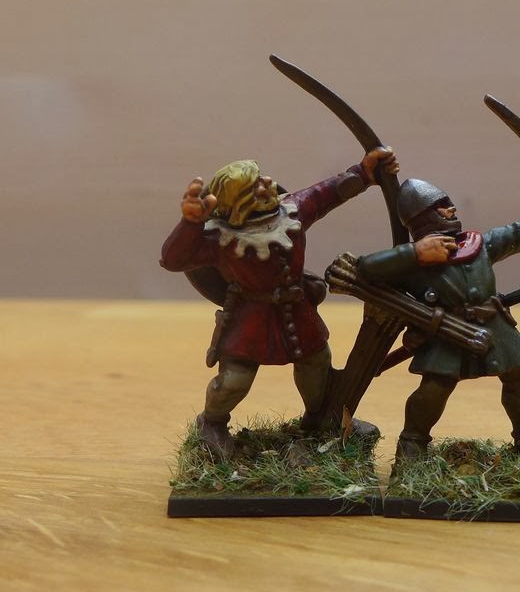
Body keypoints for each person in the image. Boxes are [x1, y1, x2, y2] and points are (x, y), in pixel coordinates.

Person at [160, 148, 398, 454]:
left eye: (261, 178)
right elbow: (173, 259)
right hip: (250, 318)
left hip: (297, 312)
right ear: (237, 201)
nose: (267, 184)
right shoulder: (220, 239)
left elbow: (327, 193)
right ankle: (212, 423)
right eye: (254, 186)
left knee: (315, 365)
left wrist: (364, 173)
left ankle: (318, 419)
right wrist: (190, 224)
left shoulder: (292, 212)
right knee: (234, 380)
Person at [356, 177, 520, 465]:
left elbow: (517, 233)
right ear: (423, 216)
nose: (452, 209)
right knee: (434, 389)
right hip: (445, 332)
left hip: (493, 326)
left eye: (448, 203)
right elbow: (365, 269)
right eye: (442, 206)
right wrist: (414, 253)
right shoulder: (413, 261)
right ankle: (412, 446)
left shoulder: (477, 245)